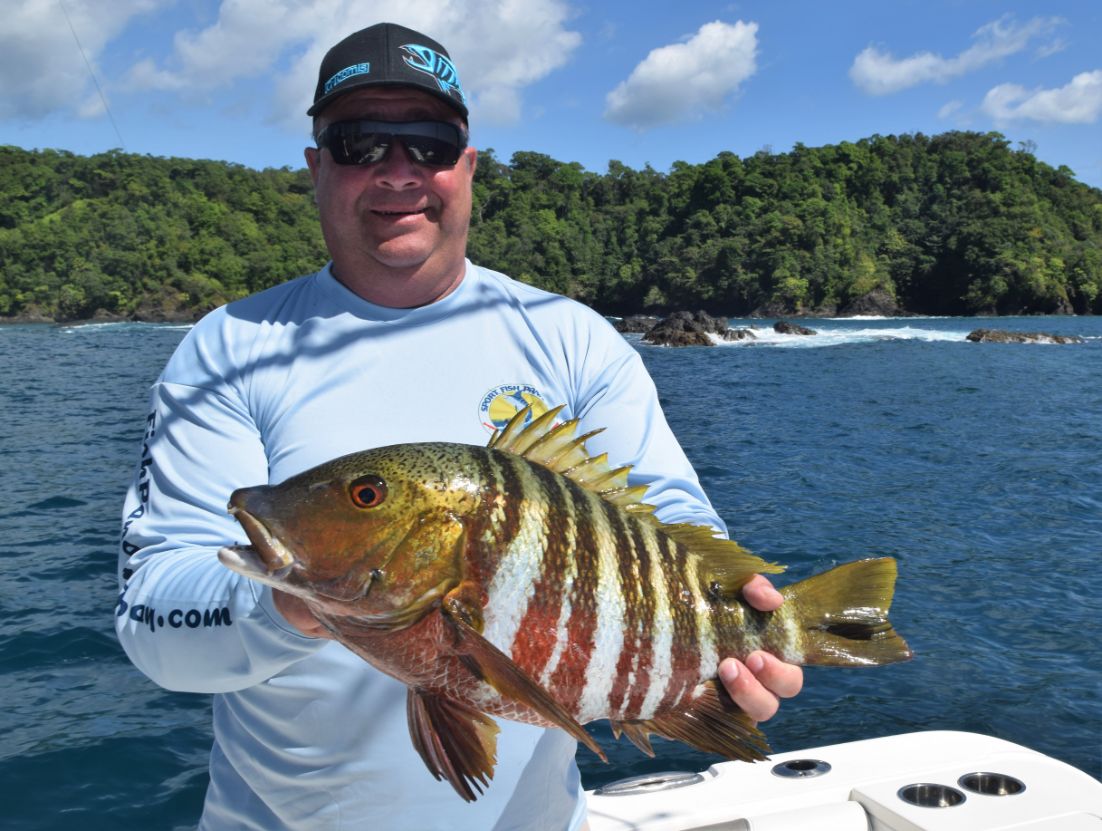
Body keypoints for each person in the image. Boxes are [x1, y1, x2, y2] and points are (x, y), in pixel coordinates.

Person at [115, 22, 803, 831]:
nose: (397, 171)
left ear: (468, 166)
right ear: (315, 167)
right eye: (359, 141)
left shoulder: (573, 340)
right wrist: (302, 602)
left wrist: (744, 630)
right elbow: (154, 623)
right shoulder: (229, 347)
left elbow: (673, 524)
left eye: (429, 143)